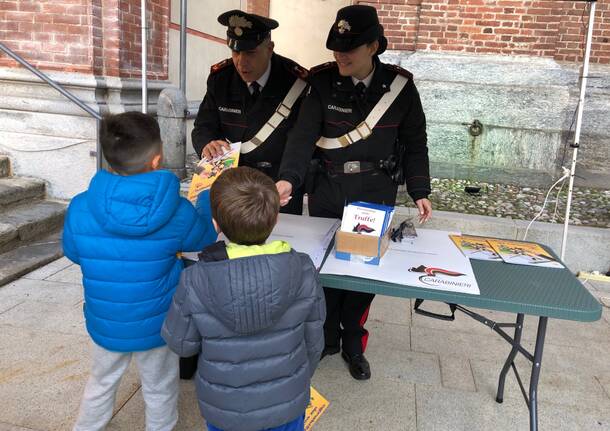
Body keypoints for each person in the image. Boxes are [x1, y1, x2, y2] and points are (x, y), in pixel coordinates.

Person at [276, 5, 433, 381]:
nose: (340, 55)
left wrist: (419, 189)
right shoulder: (322, 82)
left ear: (374, 46)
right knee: (326, 269)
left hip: (374, 193)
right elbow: (300, 139)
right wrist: (288, 180)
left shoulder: (400, 87)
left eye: (351, 47)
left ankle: (354, 345)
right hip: (329, 188)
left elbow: (415, 144)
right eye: (336, 46)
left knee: (363, 275)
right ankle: (326, 338)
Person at [62, 112, 216, 431]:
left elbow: (74, 253)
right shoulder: (176, 210)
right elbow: (203, 239)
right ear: (157, 159)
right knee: (160, 387)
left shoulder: (79, 206)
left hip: (106, 320)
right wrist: (205, 198)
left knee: (101, 381)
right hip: (158, 323)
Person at [162, 167, 325, 431]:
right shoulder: (304, 269)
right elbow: (314, 341)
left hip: (224, 409)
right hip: (286, 404)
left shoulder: (196, 278)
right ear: (274, 220)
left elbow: (182, 344)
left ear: (216, 221)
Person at [192, 9, 308, 215]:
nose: (241, 62)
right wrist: (206, 145)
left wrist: (289, 178)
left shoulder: (294, 81)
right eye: (236, 52)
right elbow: (203, 126)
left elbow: (300, 140)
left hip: (278, 184)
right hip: (235, 182)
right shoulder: (221, 79)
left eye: (250, 53)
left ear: (269, 48)